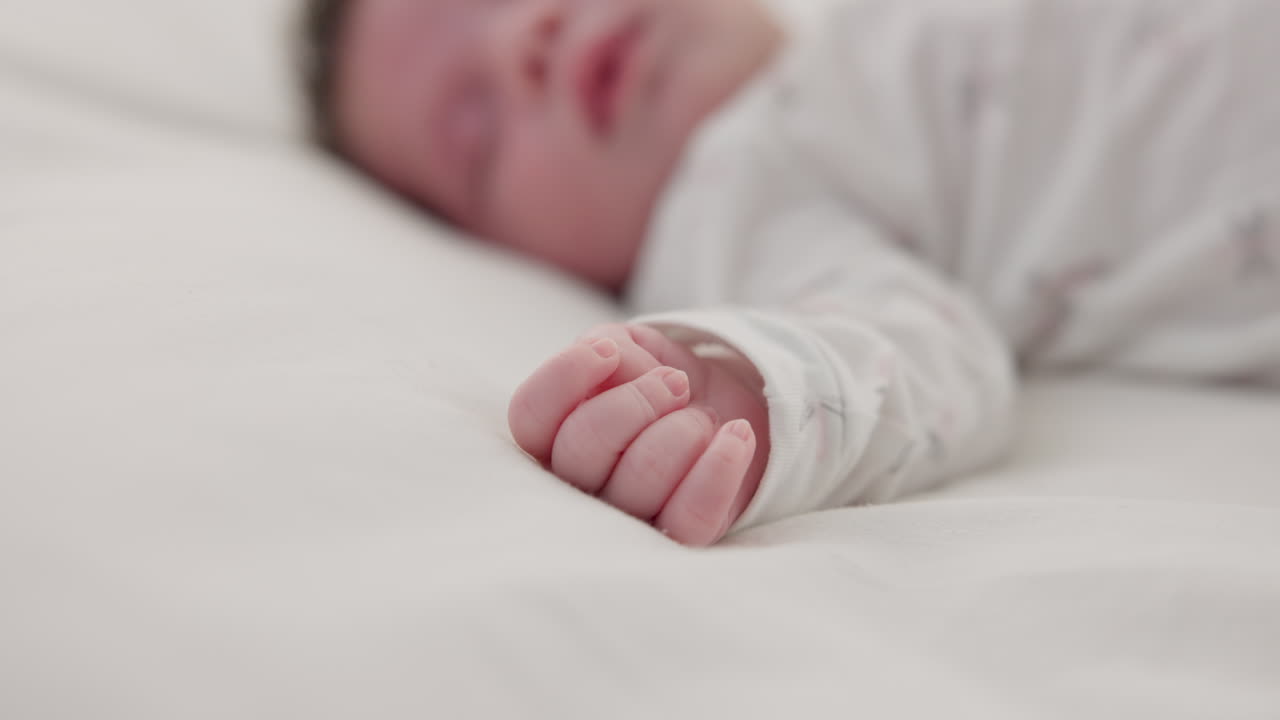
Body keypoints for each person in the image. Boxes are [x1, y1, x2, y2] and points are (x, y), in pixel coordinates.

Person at [301, 0, 1280, 545]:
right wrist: (746, 386)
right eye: (476, 127)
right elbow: (920, 351)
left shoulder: (832, 49)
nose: (531, 34)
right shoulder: (731, 199)